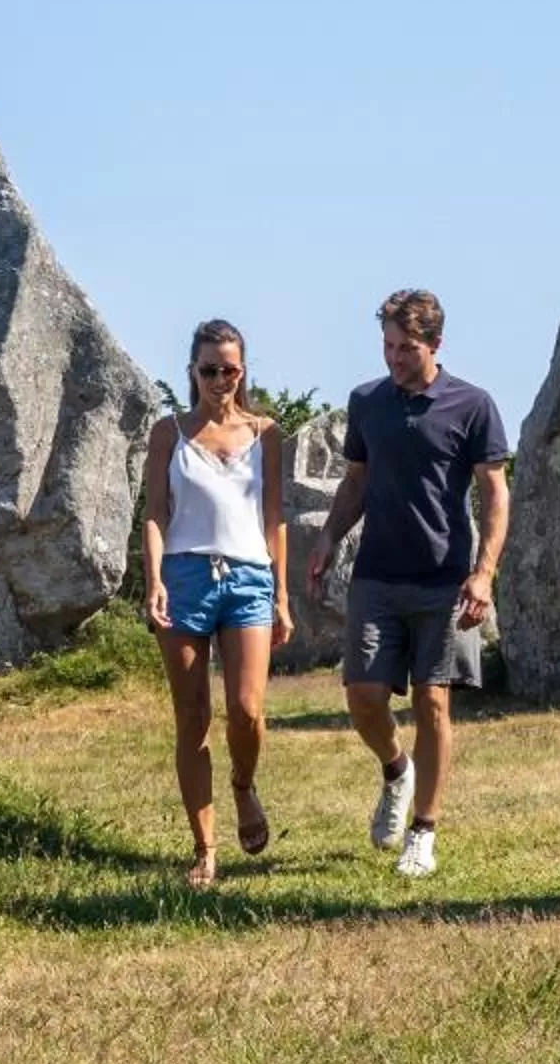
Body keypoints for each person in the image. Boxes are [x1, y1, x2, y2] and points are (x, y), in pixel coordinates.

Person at [307, 289, 511, 879]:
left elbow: (495, 492)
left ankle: (423, 831)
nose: (395, 359)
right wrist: (328, 537)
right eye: (388, 347)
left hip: (446, 579)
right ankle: (398, 771)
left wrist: (484, 572)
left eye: (407, 348)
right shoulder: (367, 402)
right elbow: (356, 482)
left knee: (432, 700)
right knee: (364, 697)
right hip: (376, 573)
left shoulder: (472, 405)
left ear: (435, 345)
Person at [139, 319, 296, 889]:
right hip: (184, 576)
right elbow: (155, 513)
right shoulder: (169, 433)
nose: (219, 380)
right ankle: (205, 847)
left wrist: (281, 594)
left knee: (248, 710)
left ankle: (243, 785)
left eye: (229, 369)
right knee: (192, 717)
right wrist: (153, 578)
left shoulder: (267, 433)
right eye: (209, 370)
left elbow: (274, 518)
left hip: (250, 575)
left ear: (243, 371)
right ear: (192, 372)